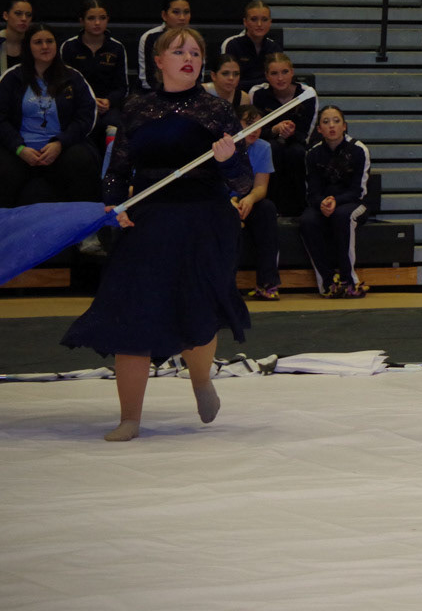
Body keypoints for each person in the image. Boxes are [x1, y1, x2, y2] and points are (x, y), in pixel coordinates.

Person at [60, 26, 247, 441]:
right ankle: (129, 417)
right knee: (132, 312)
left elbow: (243, 181)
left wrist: (229, 161)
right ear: (158, 61)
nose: (189, 58)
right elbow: (117, 170)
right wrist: (115, 206)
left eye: (195, 53)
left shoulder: (217, 111)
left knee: (196, 309)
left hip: (204, 220)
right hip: (148, 219)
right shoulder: (136, 108)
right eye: (179, 51)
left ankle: (201, 380)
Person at [0, 22, 101, 208]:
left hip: (62, 148)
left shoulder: (73, 77)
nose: (45, 46)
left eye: (49, 41)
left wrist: (60, 143)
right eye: (38, 42)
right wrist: (19, 148)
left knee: (81, 160)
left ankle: (86, 221)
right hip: (21, 150)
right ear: (28, 47)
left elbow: (86, 116)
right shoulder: (11, 77)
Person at [299, 105, 373, 299]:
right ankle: (328, 282)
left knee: (342, 216)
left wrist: (335, 200)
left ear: (344, 126)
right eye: (326, 122)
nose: (331, 126)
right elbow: (312, 191)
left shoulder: (359, 150)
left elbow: (358, 191)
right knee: (307, 221)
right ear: (319, 129)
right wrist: (322, 203)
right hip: (324, 203)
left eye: (336, 121)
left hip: (354, 203)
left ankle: (350, 281)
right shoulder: (313, 153)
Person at [247, 52, 317, 216]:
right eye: (274, 73)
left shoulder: (307, 93)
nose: (280, 78)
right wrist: (274, 130)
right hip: (268, 141)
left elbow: (306, 134)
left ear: (292, 72)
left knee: (296, 152)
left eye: (285, 72)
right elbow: (253, 131)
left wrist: (290, 132)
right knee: (271, 148)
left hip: (297, 142)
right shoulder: (257, 93)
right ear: (266, 76)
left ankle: (299, 207)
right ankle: (271, 205)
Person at [60, 0, 129, 149]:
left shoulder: (117, 48)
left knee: (115, 128)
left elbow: (122, 87)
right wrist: (89, 101)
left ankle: (110, 164)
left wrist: (109, 101)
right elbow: (64, 84)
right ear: (81, 21)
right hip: (78, 105)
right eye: (91, 18)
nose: (97, 23)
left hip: (107, 107)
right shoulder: (69, 47)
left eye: (102, 18)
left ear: (107, 20)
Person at [228, 106, 280, 302]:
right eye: (249, 124)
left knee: (267, 208)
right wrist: (230, 202)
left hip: (247, 200)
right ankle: (226, 286)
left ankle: (267, 283)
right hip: (222, 200)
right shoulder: (222, 146)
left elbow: (261, 187)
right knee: (226, 217)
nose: (255, 130)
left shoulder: (263, 147)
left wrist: (249, 198)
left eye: (259, 125)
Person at [220, 0, 284, 91]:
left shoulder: (274, 47)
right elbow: (228, 80)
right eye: (254, 19)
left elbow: (278, 80)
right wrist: (264, 83)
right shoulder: (232, 44)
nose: (259, 24)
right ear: (245, 22)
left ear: (270, 22)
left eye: (264, 19)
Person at [137, 0, 191, 92]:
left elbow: (198, 76)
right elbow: (147, 78)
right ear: (164, 15)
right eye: (176, 12)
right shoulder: (150, 37)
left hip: (187, 92)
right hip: (156, 93)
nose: (182, 17)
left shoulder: (195, 39)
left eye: (186, 12)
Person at [2, 0, 33, 77]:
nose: (24, 19)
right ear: (6, 15)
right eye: (18, 13)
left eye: (28, 15)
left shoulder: (35, 44)